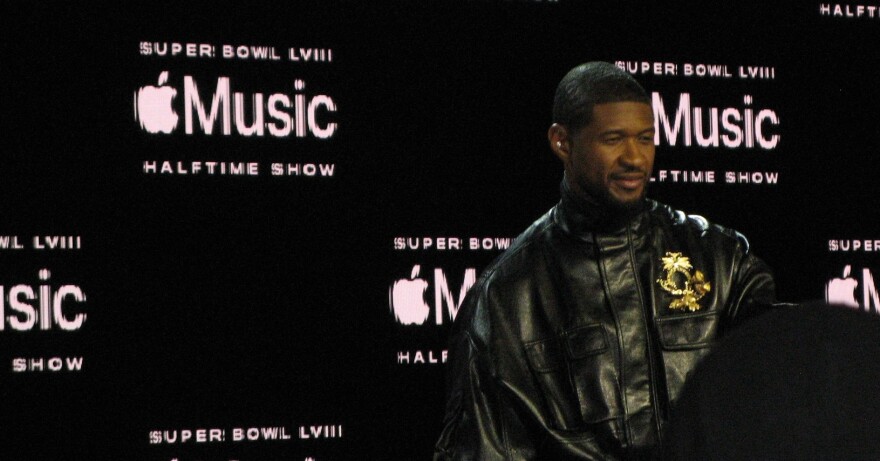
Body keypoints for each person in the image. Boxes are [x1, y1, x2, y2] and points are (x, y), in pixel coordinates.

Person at [433, 62, 776, 460]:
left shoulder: (721, 262)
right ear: (562, 142)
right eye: (614, 139)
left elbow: (776, 413)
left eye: (645, 139)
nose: (635, 157)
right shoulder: (508, 297)